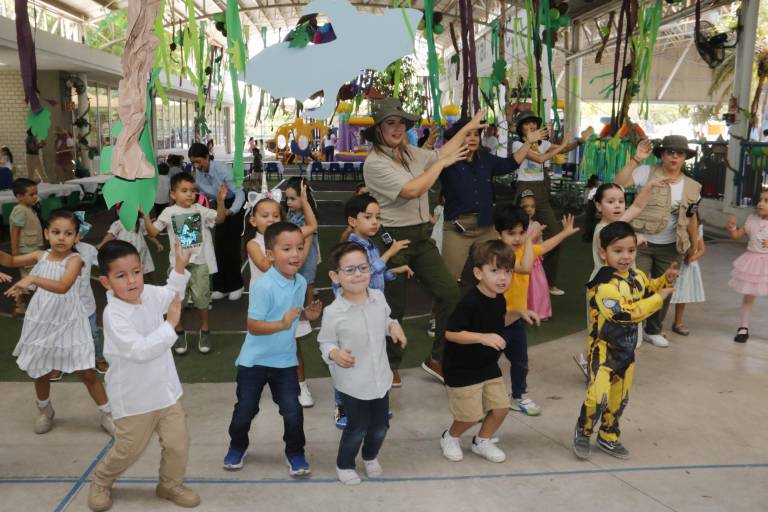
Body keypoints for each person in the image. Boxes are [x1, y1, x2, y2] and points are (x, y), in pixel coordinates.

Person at [362, 97, 484, 382]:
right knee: (393, 305)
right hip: (393, 239)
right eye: (391, 123)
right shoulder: (374, 163)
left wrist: (468, 129)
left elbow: (442, 153)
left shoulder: (409, 152)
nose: (398, 128)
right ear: (378, 129)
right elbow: (412, 190)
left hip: (420, 235)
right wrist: (441, 165)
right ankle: (388, 364)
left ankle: (438, 358)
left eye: (401, 123)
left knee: (449, 293)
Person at [87, 240, 200, 512]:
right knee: (129, 450)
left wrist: (180, 267)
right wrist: (170, 324)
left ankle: (170, 484)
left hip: (165, 392)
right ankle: (101, 480)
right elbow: (140, 350)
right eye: (121, 275)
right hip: (135, 398)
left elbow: (172, 295)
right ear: (105, 282)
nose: (132, 280)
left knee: (178, 443)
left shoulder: (147, 293)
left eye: (136, 272)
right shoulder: (114, 315)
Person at [1, 209, 114, 436]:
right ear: (46, 233)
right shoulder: (39, 256)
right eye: (56, 232)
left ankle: (107, 414)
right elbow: (10, 260)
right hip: (42, 320)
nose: (61, 238)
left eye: (68, 233)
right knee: (41, 372)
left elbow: (63, 287)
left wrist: (31, 278)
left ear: (77, 237)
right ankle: (45, 411)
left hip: (70, 321)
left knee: (87, 372)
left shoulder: (75, 260)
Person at [222, 222, 322, 476]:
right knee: (245, 411)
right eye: (287, 249)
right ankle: (237, 446)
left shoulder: (300, 282)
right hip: (254, 362)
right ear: (270, 255)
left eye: (300, 247)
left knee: (293, 411)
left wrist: (307, 315)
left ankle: (295, 453)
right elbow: (254, 326)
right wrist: (282, 324)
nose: (295, 254)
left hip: (285, 361)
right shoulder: (263, 286)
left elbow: (292, 314)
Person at [573, 222, 678, 461]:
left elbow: (648, 289)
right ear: (603, 253)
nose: (626, 257)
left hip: (626, 352)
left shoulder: (636, 276)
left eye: (631, 250)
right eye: (618, 251)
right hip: (602, 352)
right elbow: (624, 314)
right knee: (597, 397)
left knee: (619, 399)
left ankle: (608, 436)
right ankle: (583, 431)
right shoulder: (602, 285)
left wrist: (664, 280)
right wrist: (659, 299)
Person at [318, 242, 407, 484]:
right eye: (349, 270)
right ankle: (345, 464)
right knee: (356, 427)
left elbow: (387, 319)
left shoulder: (378, 297)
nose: (358, 274)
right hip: (353, 384)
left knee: (380, 426)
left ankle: (369, 456)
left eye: (363, 267)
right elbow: (325, 342)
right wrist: (334, 353)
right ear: (335, 276)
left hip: (380, 378)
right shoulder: (333, 312)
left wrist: (393, 326)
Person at [614, 135, 701, 348]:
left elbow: (691, 217)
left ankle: (652, 330)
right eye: (670, 152)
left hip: (672, 246)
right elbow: (618, 184)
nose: (674, 156)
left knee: (665, 288)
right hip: (640, 243)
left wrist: (694, 243)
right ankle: (632, 329)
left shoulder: (693, 186)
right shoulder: (646, 172)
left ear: (685, 157)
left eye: (679, 153)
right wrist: (636, 159)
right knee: (635, 287)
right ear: (662, 154)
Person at [494, 205, 578, 415]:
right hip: (494, 322)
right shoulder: (498, 256)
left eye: (521, 232)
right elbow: (524, 268)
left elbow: (545, 246)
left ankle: (518, 396)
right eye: (511, 233)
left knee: (521, 362)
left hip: (516, 321)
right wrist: (529, 241)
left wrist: (564, 234)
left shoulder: (525, 250)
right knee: (486, 364)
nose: (517, 238)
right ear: (498, 234)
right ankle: (478, 397)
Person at [438, 116, 544, 281]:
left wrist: (528, 143)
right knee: (448, 279)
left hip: (486, 226)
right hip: (458, 229)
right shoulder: (445, 160)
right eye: (467, 134)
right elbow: (427, 164)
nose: (473, 138)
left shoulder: (485, 159)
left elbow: (511, 163)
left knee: (496, 271)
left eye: (476, 134)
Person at [440, 240, 513, 463]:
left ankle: (482, 441)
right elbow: (451, 333)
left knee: (501, 408)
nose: (503, 278)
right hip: (462, 368)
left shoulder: (499, 299)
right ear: (478, 273)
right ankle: (450, 437)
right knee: (470, 416)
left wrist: (520, 313)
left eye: (508, 271)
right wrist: (483, 337)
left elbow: (495, 323)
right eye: (495, 271)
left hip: (487, 365)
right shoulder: (469, 302)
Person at [144, 172, 228, 355]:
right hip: (177, 266)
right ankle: (179, 332)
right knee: (176, 301)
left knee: (202, 300)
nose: (190, 194)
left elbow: (220, 219)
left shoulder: (200, 209)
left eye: (192, 190)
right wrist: (145, 214)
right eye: (184, 191)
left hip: (199, 264)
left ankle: (205, 330)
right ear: (173, 194)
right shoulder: (169, 212)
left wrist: (221, 202)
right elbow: (152, 232)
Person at [512, 111, 582, 295]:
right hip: (525, 189)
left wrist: (580, 141)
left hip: (541, 190)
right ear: (520, 129)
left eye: (533, 123)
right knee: (519, 234)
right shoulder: (518, 144)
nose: (531, 126)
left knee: (556, 235)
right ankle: (516, 276)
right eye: (526, 124)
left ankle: (548, 281)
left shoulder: (543, 144)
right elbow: (540, 158)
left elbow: (564, 149)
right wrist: (562, 146)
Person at [188, 142, 245, 301]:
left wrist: (231, 211)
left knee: (231, 246)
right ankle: (221, 287)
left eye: (198, 161)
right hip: (218, 204)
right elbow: (200, 194)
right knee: (219, 246)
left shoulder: (222, 169)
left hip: (234, 203)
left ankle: (236, 285)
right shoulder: (199, 174)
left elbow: (240, 193)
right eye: (193, 162)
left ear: (207, 157)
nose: (196, 166)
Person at [283, 178, 320, 407]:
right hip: (289, 270)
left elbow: (307, 241)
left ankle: (305, 313)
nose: (288, 202)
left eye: (293, 198)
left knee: (306, 286)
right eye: (286, 198)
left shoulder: (305, 219)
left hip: (301, 267)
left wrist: (305, 201)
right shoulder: (289, 217)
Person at [726, 190, 768, 343]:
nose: (761, 203)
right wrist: (732, 228)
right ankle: (743, 328)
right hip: (753, 262)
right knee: (748, 296)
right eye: (760, 199)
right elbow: (737, 235)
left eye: (766, 201)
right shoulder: (751, 219)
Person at [74, 214, 109, 375]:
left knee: (93, 332)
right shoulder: (53, 253)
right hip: (63, 305)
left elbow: (104, 264)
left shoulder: (87, 249)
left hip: (86, 301)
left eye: (71, 232)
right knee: (62, 334)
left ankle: (97, 357)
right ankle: (60, 362)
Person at [99, 207, 163, 283]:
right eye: (118, 210)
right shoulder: (118, 224)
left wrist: (157, 243)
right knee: (131, 271)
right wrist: (102, 244)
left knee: (149, 269)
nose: (119, 212)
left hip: (142, 252)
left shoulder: (140, 222)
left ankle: (154, 284)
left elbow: (148, 234)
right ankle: (133, 284)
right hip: (126, 253)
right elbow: (110, 235)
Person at [8, 178, 42, 317]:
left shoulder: (28, 209)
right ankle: (23, 305)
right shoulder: (20, 210)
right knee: (32, 280)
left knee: (28, 279)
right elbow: (15, 231)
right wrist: (15, 253)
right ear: (19, 196)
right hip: (25, 252)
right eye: (31, 194)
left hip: (32, 251)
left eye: (36, 193)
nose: (35, 197)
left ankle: (19, 305)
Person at [517, 190, 551, 321]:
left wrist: (539, 245)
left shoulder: (536, 225)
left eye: (532, 206)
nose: (529, 209)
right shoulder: (517, 226)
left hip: (534, 262)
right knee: (522, 287)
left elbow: (541, 244)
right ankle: (520, 311)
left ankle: (539, 311)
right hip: (520, 261)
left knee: (538, 287)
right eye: (525, 206)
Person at [670, 217, 705, 336]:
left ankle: (678, 322)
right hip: (674, 263)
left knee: (682, 296)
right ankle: (655, 323)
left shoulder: (698, 228)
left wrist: (692, 258)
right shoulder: (676, 225)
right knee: (665, 293)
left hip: (687, 267)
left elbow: (701, 250)